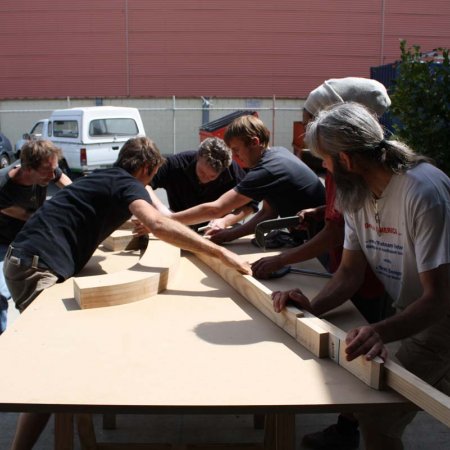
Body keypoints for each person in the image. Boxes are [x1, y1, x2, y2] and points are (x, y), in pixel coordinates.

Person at [4, 136, 251, 450]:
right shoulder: (127, 184)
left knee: (71, 357)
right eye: (150, 177)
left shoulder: (104, 177)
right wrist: (221, 253)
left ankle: (85, 435)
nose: (148, 184)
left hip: (24, 259)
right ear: (146, 168)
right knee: (57, 366)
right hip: (35, 268)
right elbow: (158, 225)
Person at [272, 102, 450, 450]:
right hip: (416, 311)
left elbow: (440, 299)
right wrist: (311, 308)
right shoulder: (356, 195)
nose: (323, 169)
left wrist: (379, 330)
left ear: (347, 161)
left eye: (324, 160)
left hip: (442, 316)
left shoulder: (423, 193)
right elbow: (349, 273)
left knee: (377, 415)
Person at [252, 77, 392, 449]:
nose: (318, 156)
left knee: (360, 366)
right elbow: (340, 232)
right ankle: (346, 424)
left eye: (314, 121)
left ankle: (347, 427)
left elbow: (341, 239)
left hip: (371, 284)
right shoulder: (343, 171)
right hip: (348, 273)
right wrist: (319, 211)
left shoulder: (380, 183)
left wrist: (282, 258)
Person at [171, 115, 325, 244]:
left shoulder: (267, 170)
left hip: (323, 239)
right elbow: (268, 213)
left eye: (237, 150)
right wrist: (229, 235)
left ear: (254, 142)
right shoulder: (278, 153)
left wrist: (166, 220)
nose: (236, 157)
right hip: (317, 237)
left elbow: (216, 209)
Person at [0, 139, 71, 334]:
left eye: (54, 169)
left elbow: (71, 189)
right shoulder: (4, 186)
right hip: (5, 242)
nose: (52, 175)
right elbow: (31, 217)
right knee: (0, 293)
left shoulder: (48, 168)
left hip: (30, 237)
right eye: (47, 171)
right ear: (27, 168)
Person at [149, 137, 258, 232]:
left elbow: (251, 203)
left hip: (215, 229)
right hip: (175, 226)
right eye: (201, 171)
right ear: (197, 157)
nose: (205, 178)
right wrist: (163, 212)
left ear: (223, 170)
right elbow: (145, 184)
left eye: (212, 177)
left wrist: (225, 221)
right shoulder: (176, 164)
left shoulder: (233, 171)